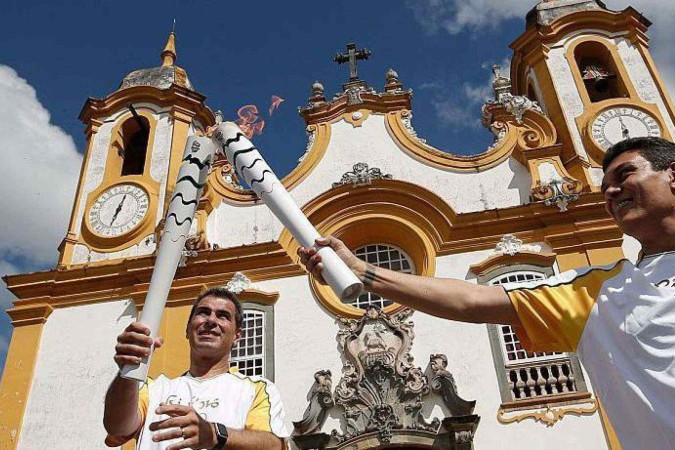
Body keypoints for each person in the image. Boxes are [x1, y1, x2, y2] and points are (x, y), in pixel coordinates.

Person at [298, 137, 675, 449]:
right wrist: (362, 272)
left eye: (625, 174)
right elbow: (472, 300)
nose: (609, 190)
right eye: (605, 183)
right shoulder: (597, 291)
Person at [104, 287, 289, 449]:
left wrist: (216, 434)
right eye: (203, 312)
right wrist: (128, 369)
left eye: (223, 316)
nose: (211, 320)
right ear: (188, 329)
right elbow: (117, 427)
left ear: (237, 336)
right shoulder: (153, 389)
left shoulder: (256, 389)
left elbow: (275, 445)